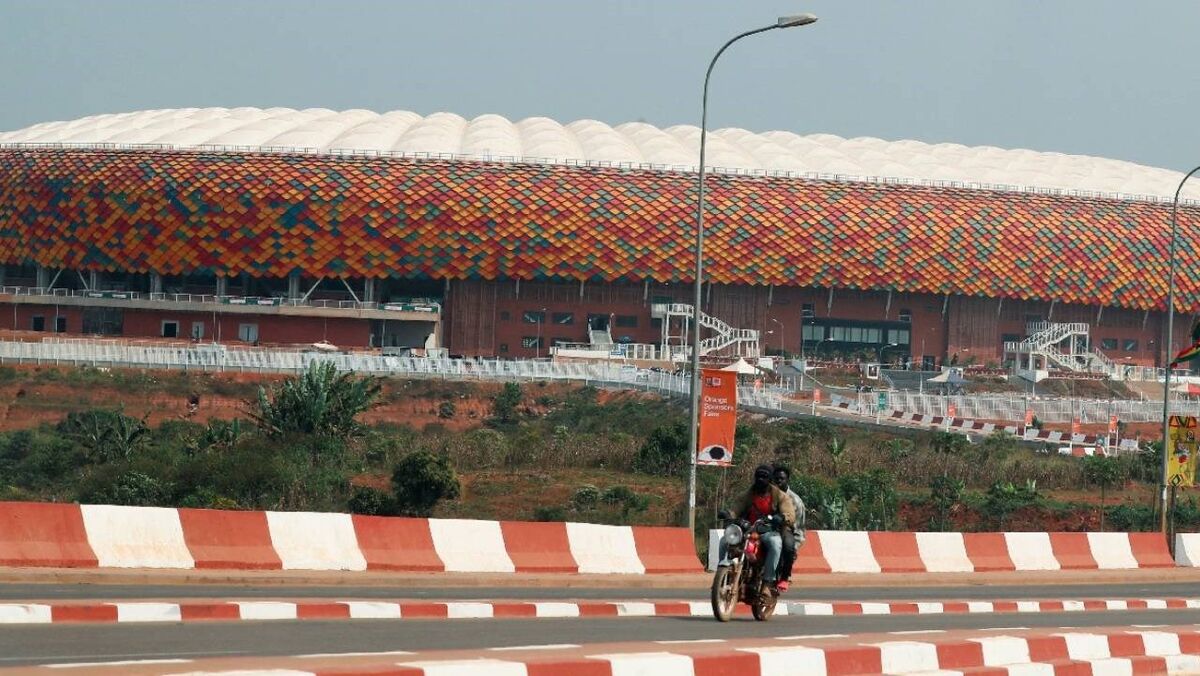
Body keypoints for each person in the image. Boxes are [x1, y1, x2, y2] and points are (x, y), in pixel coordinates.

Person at [729, 465, 796, 592]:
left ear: (770, 479)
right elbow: (736, 508)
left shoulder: (780, 496)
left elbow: (790, 514)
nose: (760, 479)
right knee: (725, 540)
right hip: (748, 529)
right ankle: (723, 569)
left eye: (764, 477)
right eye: (758, 476)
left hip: (769, 530)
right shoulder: (747, 495)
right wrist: (729, 514)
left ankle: (767, 582)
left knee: (776, 544)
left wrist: (782, 517)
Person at [772, 465, 807, 593]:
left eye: (781, 479)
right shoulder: (767, 494)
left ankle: (784, 578)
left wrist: (793, 548)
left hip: (787, 533)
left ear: (787, 480)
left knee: (788, 548)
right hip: (767, 530)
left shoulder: (796, 502)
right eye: (776, 478)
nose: (778, 481)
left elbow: (799, 530)